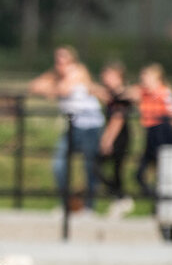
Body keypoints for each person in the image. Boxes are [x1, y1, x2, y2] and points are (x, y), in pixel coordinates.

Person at [28, 45, 103, 211]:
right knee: (59, 165)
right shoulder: (57, 75)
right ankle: (67, 203)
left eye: (64, 59)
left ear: (72, 61)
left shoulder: (80, 71)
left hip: (90, 126)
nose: (60, 63)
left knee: (89, 166)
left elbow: (63, 89)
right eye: (58, 59)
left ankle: (89, 206)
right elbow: (34, 86)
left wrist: (50, 89)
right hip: (72, 126)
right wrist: (52, 86)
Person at [95, 61, 135, 218]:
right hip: (115, 136)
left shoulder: (123, 96)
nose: (105, 78)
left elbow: (117, 120)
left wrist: (107, 140)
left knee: (102, 167)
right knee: (112, 170)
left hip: (119, 137)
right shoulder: (113, 95)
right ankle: (119, 198)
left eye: (109, 75)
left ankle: (121, 198)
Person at [134, 62, 172, 199]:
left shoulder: (163, 92)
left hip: (162, 131)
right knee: (140, 172)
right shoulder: (144, 93)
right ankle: (154, 195)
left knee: (164, 168)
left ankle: (162, 198)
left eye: (146, 78)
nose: (143, 81)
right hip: (151, 132)